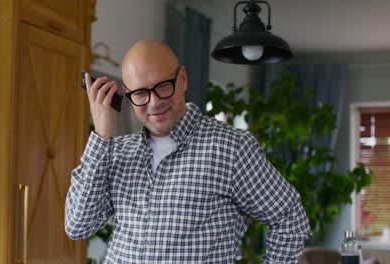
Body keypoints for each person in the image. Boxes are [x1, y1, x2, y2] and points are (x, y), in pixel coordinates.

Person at [65, 40, 311, 263]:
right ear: (128, 95)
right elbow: (77, 226)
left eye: (163, 86)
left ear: (182, 78)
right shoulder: (117, 152)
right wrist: (101, 137)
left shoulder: (232, 149)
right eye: (140, 93)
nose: (153, 103)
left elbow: (289, 218)